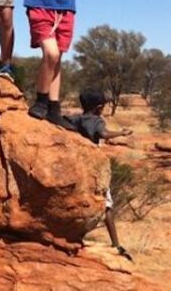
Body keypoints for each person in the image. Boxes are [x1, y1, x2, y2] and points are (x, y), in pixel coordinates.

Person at [66, 89, 134, 261]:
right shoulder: (97, 120)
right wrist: (121, 133)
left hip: (76, 164)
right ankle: (116, 244)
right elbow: (103, 134)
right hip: (93, 166)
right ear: (99, 107)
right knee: (107, 205)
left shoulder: (75, 118)